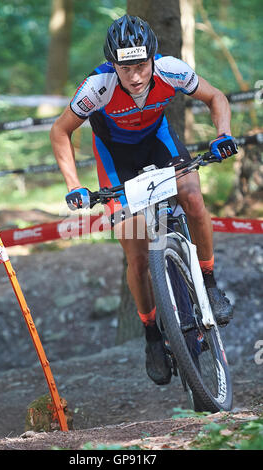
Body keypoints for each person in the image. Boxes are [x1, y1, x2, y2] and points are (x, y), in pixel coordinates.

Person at [50, 14, 238, 386]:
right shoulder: (98, 86)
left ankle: (210, 281)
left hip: (159, 142)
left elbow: (216, 97)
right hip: (114, 158)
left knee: (193, 199)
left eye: (140, 66)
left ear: (153, 58)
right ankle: (152, 334)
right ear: (112, 65)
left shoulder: (172, 70)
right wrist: (74, 184)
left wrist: (223, 134)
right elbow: (60, 131)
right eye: (125, 68)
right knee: (136, 255)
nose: (134, 77)